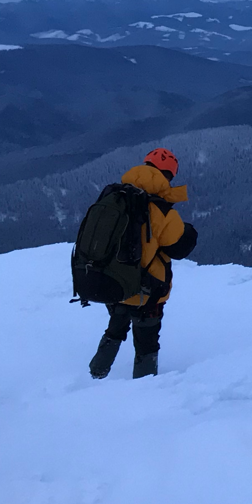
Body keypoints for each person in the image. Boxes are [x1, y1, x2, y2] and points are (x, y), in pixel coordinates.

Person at [88, 147, 197, 379]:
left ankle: (96, 373)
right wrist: (189, 232)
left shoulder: (114, 196)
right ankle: (144, 390)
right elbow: (178, 248)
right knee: (147, 341)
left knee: (116, 326)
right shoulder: (162, 210)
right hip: (148, 288)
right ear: (168, 176)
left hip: (115, 282)